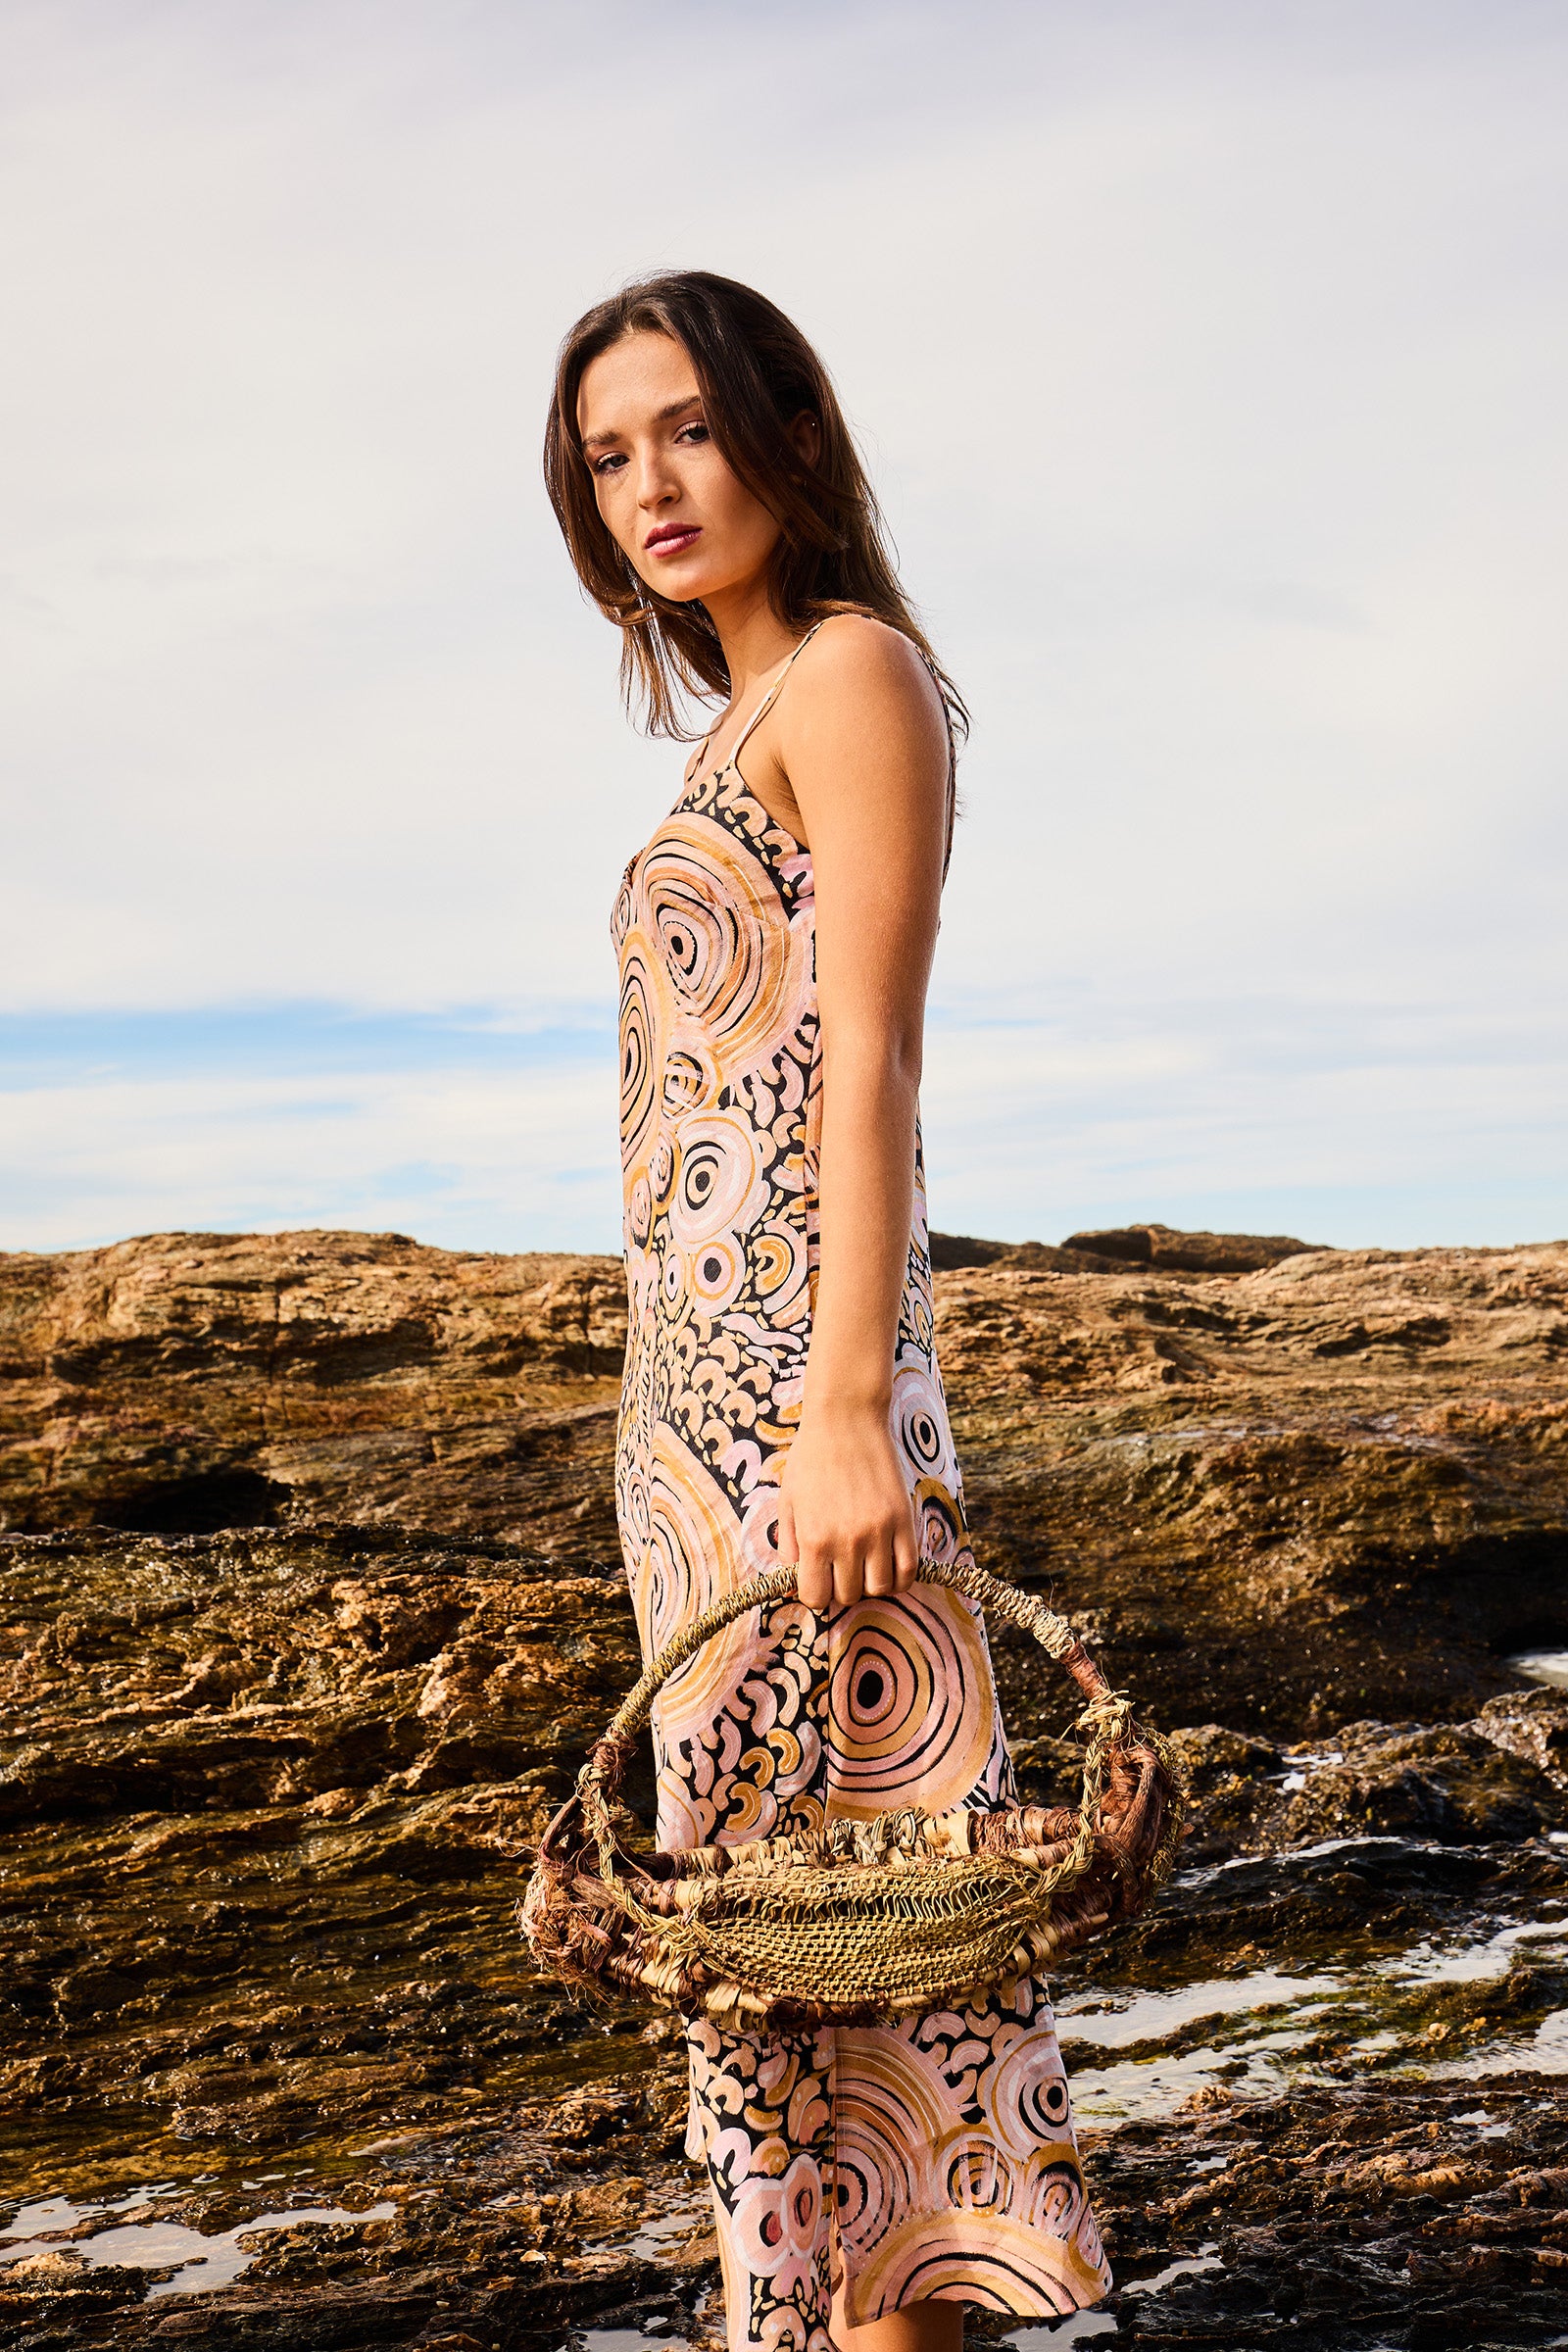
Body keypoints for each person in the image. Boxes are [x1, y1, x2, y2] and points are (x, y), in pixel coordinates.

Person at [544, 271, 1110, 2352]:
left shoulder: (851, 673)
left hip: (808, 1402)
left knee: (871, 1988)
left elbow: (868, 1056)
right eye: (608, 454)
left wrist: (847, 1402)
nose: (650, 485)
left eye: (688, 427)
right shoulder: (731, 724)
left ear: (786, 427)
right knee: (777, 1998)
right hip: (700, 1434)